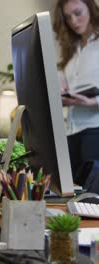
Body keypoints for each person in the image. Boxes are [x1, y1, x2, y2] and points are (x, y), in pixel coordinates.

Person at [54, 0, 99, 181]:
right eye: (68, 17)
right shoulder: (71, 50)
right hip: (71, 131)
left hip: (95, 130)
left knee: (91, 199)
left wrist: (94, 102)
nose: (73, 21)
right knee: (72, 191)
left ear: (90, 9)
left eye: (78, 13)